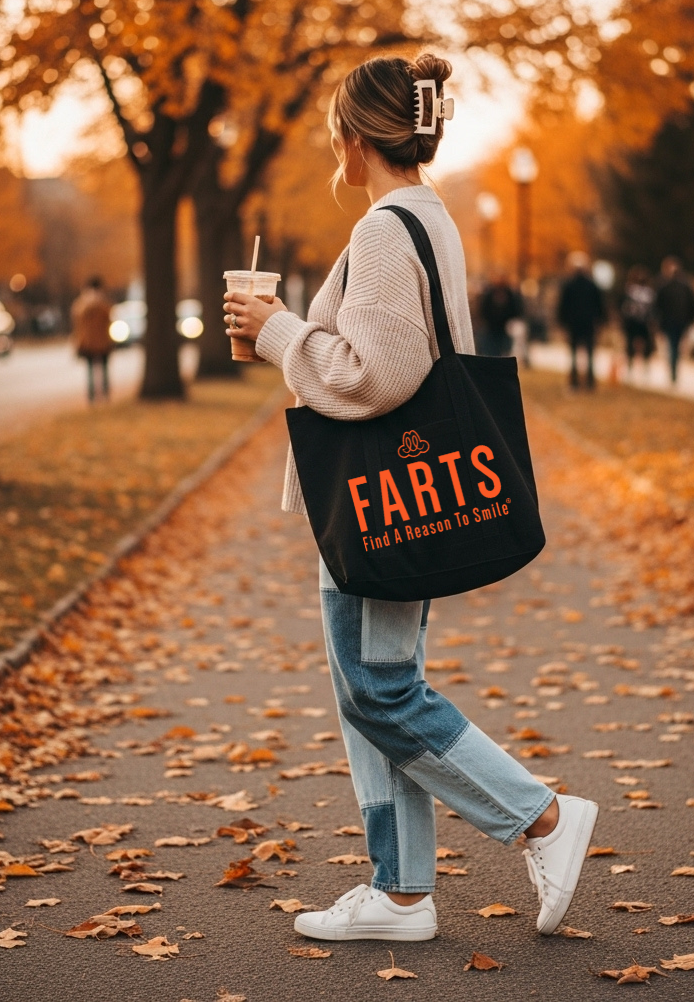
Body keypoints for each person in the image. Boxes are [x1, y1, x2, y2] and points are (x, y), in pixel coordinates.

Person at [222, 53, 598, 943]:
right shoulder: (422, 216)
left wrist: (277, 332)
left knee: (380, 691)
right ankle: (400, 893)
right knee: (374, 690)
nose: (331, 145)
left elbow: (380, 374)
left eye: (333, 130)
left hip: (381, 497)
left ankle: (541, 816)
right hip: (392, 496)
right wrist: (287, 339)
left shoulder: (388, 228)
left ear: (357, 137)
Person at [556, 252, 605, 389]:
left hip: (573, 323)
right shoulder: (592, 285)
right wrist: (600, 322)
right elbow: (599, 306)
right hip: (588, 323)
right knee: (589, 353)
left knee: (573, 354)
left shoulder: (568, 285)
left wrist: (562, 323)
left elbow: (562, 307)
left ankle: (575, 382)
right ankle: (589, 382)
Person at [653, 256, 694, 385]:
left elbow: (691, 304)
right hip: (673, 322)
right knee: (674, 346)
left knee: (674, 347)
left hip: (678, 321)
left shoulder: (678, 286)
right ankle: (673, 370)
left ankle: (673, 369)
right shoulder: (669, 286)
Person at [70, 277, 113, 402]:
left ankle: (98, 396)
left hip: (92, 342)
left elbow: (77, 322)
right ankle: (99, 396)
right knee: (96, 371)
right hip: (97, 342)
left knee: (96, 371)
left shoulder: (82, 304)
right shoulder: (99, 304)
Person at [618, 265, 656, 376]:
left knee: (632, 344)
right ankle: (642, 368)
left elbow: (623, 307)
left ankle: (634, 368)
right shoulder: (648, 293)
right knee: (642, 345)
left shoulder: (630, 290)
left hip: (634, 322)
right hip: (641, 322)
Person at [477, 273, 523, 357]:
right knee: (491, 352)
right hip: (491, 328)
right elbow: (483, 309)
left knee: (504, 352)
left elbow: (516, 309)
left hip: (505, 328)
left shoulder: (510, 294)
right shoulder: (490, 294)